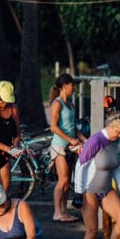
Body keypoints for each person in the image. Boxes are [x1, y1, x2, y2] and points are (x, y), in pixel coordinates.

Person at [49, 74, 85, 222]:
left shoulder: (71, 105)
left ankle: (64, 211)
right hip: (59, 146)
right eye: (72, 85)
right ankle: (57, 212)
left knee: (67, 181)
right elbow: (53, 127)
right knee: (62, 180)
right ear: (65, 86)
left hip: (71, 148)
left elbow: (73, 128)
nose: (74, 87)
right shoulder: (57, 104)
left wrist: (85, 139)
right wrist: (70, 139)